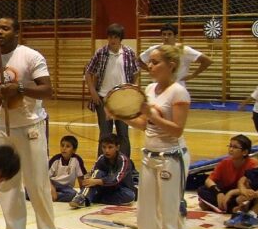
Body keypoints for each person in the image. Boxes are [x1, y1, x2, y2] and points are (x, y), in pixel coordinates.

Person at [0, 17, 60, 229]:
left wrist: (20, 88)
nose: (0, 32)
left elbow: (47, 90)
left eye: (5, 28)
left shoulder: (30, 56)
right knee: (7, 185)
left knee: (37, 184)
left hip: (30, 127)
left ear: (17, 32)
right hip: (3, 129)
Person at [124, 44, 190, 229]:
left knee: (171, 211)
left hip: (171, 157)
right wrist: (122, 116)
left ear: (170, 65)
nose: (149, 66)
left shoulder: (179, 92)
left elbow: (177, 130)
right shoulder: (150, 88)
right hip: (149, 155)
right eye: (149, 62)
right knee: (146, 209)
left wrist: (152, 115)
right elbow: (144, 124)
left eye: (155, 62)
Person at [84, 23, 139, 157]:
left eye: (115, 37)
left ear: (120, 38)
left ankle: (125, 163)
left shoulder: (129, 53)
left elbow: (136, 72)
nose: (112, 40)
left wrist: (131, 90)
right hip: (103, 99)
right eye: (110, 37)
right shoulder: (101, 53)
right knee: (105, 134)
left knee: (123, 134)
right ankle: (102, 163)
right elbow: (88, 72)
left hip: (122, 100)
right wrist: (93, 91)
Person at [70, 134, 136, 208]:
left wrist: (96, 181)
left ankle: (93, 198)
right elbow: (93, 175)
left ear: (117, 147)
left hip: (121, 189)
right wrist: (88, 179)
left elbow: (116, 179)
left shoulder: (123, 160)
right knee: (98, 173)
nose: (106, 150)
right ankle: (82, 198)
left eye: (110, 147)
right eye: (104, 147)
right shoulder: (101, 159)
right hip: (106, 188)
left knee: (129, 196)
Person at [197, 135, 256, 213]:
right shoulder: (225, 162)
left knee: (244, 198)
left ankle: (219, 206)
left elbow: (252, 189)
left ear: (245, 152)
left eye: (235, 147)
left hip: (240, 193)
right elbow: (209, 180)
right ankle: (229, 208)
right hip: (225, 192)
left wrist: (231, 193)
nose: (231, 149)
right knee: (202, 189)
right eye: (230, 146)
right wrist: (218, 192)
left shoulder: (253, 164)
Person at [138, 23, 211, 87]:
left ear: (175, 36)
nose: (166, 37)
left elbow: (207, 61)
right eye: (164, 34)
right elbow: (138, 60)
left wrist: (193, 75)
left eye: (169, 34)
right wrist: (150, 70)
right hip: (158, 86)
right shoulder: (155, 49)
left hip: (177, 86)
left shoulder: (184, 50)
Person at [47, 135, 86, 203]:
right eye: (62, 145)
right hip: (52, 184)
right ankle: (50, 195)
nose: (64, 148)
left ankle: (50, 196)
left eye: (68, 146)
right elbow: (45, 177)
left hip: (66, 187)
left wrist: (83, 195)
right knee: (30, 191)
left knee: (73, 194)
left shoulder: (77, 160)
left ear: (74, 150)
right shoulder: (55, 159)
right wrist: (52, 189)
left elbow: (81, 179)